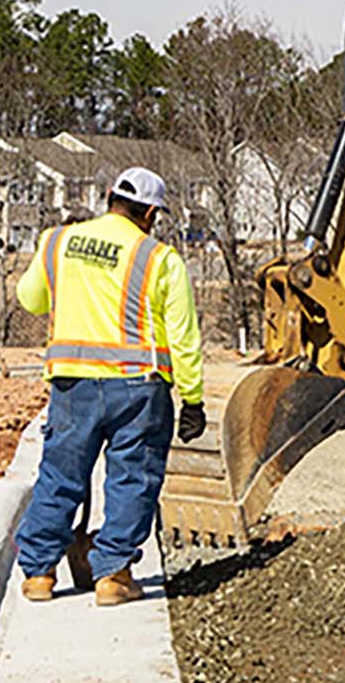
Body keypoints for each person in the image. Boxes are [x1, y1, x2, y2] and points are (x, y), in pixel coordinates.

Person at [13, 167, 207, 607]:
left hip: (72, 385)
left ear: (108, 197)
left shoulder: (56, 241)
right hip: (138, 390)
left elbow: (31, 299)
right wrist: (192, 399)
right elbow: (184, 337)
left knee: (60, 475)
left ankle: (39, 574)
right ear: (151, 213)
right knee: (132, 477)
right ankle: (113, 576)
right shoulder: (159, 258)